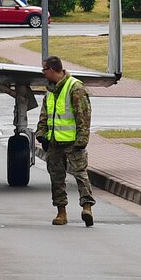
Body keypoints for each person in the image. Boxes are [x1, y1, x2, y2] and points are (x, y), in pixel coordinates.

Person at [36, 56, 95, 227]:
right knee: (56, 178)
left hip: (73, 143)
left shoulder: (75, 87)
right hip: (54, 143)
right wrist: (41, 134)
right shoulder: (50, 90)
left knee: (81, 175)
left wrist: (82, 139)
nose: (43, 74)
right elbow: (44, 115)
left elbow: (83, 115)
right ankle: (61, 212)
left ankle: (87, 208)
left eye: (44, 70)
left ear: (52, 70)